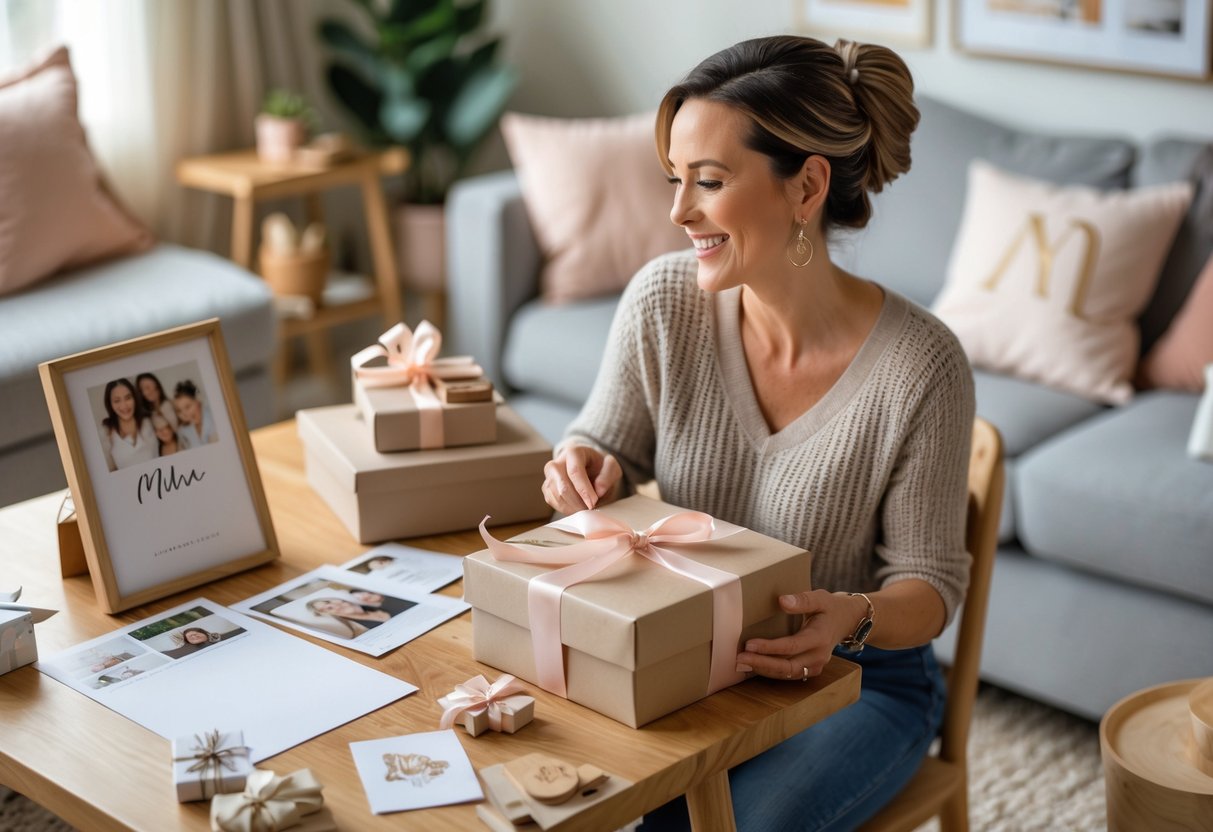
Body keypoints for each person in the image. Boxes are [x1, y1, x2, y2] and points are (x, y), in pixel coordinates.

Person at [543, 36, 975, 832]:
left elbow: (929, 587)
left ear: (806, 185)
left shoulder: (923, 368)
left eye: (707, 182)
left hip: (859, 684)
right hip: (693, 660)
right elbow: (604, 441)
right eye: (675, 180)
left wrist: (853, 616)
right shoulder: (662, 302)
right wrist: (583, 464)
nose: (678, 212)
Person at [99, 378, 157, 472]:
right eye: (117, 401)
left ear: (134, 398)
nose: (124, 406)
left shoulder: (149, 421)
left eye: (128, 398)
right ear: (110, 404)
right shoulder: (106, 433)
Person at [305, 596, 391, 636]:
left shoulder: (386, 602)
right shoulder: (362, 633)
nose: (336, 605)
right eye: (328, 608)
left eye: (328, 602)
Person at [173, 380, 218, 449]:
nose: (184, 414)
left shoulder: (214, 417)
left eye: (187, 407)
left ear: (197, 401)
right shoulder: (183, 430)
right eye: (179, 411)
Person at [349, 589, 416, 617]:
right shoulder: (385, 611)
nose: (363, 597)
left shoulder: (393, 592)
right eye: (358, 598)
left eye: (361, 594)